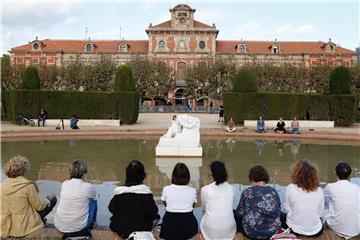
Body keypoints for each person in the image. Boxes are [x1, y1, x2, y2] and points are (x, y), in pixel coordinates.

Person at [1, 156, 57, 238]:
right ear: (24, 169)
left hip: (6, 225)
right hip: (23, 226)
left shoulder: (2, 184)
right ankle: (38, 223)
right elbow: (39, 206)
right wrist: (47, 200)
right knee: (52, 199)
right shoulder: (28, 185)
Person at [109, 160, 160, 239]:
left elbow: (111, 209)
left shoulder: (119, 192)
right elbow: (154, 212)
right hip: (144, 228)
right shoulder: (146, 192)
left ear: (127, 175)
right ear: (142, 176)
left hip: (123, 230)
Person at [234, 165, 281, 239]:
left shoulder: (247, 192)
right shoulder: (273, 191)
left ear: (252, 178)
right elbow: (278, 209)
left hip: (251, 232)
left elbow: (239, 213)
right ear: (265, 177)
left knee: (234, 213)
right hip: (272, 231)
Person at [54, 160, 98, 237]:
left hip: (59, 224)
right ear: (84, 173)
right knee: (93, 200)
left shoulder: (65, 184)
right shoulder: (88, 186)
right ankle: (93, 222)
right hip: (79, 227)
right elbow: (95, 196)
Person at [281, 160, 324, 237]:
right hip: (315, 231)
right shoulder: (319, 190)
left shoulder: (290, 188)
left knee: (281, 215)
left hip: (295, 229)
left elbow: (286, 209)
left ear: (296, 174)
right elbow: (320, 213)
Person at [160, 163, 198, 240]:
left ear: (173, 176)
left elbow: (166, 205)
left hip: (169, 226)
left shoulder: (166, 189)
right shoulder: (192, 190)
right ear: (187, 177)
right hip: (188, 226)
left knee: (156, 232)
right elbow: (192, 206)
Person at [200, 161, 236, 240]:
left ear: (212, 174)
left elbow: (204, 209)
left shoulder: (205, 189)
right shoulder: (232, 188)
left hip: (211, 228)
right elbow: (231, 207)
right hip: (228, 227)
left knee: (203, 216)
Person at [323, 162, 360, 239]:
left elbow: (323, 201)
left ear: (335, 172)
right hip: (356, 229)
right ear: (349, 174)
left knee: (326, 203)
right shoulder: (356, 187)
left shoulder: (330, 186)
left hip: (338, 228)